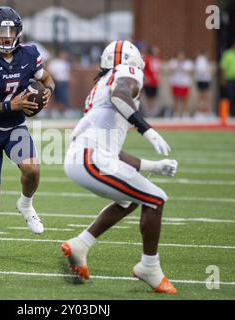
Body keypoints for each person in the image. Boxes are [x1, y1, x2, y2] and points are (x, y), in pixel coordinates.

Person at [62, 40, 178, 294]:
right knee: (156, 199)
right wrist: (147, 130)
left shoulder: (98, 87)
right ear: (133, 62)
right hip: (90, 159)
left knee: (131, 199)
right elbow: (120, 94)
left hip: (81, 158)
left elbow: (112, 151)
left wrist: (153, 166)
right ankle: (150, 266)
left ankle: (81, 245)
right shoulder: (126, 73)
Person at [0, 6, 55, 258]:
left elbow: (48, 79)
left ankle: (25, 204)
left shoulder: (29, 54)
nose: (6, 35)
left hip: (15, 127)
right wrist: (10, 104)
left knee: (32, 170)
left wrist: (48, 91)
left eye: (11, 30)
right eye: (1, 30)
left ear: (18, 32)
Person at [168, 50, 193, 118]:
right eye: (179, 55)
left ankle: (185, 113)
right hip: (176, 83)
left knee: (185, 99)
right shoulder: (173, 62)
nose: (180, 57)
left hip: (185, 83)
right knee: (176, 99)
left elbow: (189, 71)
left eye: (182, 55)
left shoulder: (188, 63)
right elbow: (171, 70)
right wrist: (178, 64)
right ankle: (176, 113)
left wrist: (182, 66)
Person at [47, 50, 71, 118]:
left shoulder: (66, 63)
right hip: (57, 81)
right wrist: (54, 80)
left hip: (64, 81)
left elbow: (67, 73)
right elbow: (50, 72)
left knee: (64, 97)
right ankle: (55, 111)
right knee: (57, 97)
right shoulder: (55, 63)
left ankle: (65, 111)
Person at [142, 46, 162, 117]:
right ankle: (148, 112)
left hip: (155, 82)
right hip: (148, 82)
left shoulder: (157, 60)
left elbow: (157, 71)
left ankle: (153, 112)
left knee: (153, 97)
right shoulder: (147, 59)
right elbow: (143, 69)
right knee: (148, 97)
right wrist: (146, 77)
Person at [193, 49, 213, 119]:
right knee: (203, 97)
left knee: (205, 97)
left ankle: (205, 112)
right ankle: (201, 112)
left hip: (204, 80)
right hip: (203, 80)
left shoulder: (204, 60)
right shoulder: (201, 60)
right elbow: (201, 70)